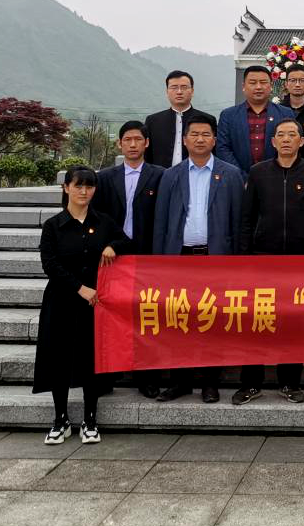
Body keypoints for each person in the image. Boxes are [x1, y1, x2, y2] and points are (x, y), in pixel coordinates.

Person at [153, 113, 245, 404]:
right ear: (185, 140)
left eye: (206, 134)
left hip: (214, 258)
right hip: (180, 257)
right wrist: (159, 262)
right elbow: (161, 223)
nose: (200, 139)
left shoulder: (231, 175)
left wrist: (237, 262)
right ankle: (179, 381)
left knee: (211, 320)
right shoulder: (171, 175)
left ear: (214, 140)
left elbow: (238, 222)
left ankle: (209, 382)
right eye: (194, 134)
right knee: (179, 318)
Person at [235, 118, 304, 406]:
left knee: (292, 323)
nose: (286, 139)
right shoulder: (258, 172)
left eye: (292, 135)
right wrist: (245, 259)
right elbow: (247, 219)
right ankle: (251, 383)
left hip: (300, 262)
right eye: (281, 135)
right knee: (256, 321)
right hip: (262, 260)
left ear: (301, 141)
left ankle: (290, 382)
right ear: (273, 142)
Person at [34, 167, 128, 444]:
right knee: (59, 359)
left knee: (90, 359)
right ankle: (60, 419)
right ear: (66, 188)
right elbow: (50, 264)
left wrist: (113, 246)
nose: (83, 192)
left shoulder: (104, 222)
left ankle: (90, 419)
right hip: (62, 301)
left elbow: (127, 241)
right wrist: (80, 288)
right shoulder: (53, 225)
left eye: (89, 187)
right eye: (78, 186)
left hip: (94, 304)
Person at [90, 121, 165, 398]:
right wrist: (106, 245)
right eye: (127, 140)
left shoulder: (160, 175)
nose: (133, 144)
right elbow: (96, 218)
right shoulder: (104, 178)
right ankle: (108, 375)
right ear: (119, 144)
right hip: (113, 257)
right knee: (112, 316)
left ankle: (147, 377)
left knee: (147, 315)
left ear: (147, 143)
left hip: (147, 256)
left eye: (138, 139)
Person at [216, 66, 294, 178]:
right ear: (243, 86)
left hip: (276, 178)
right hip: (237, 180)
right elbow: (223, 149)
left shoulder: (285, 113)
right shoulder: (228, 115)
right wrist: (241, 178)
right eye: (252, 83)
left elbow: (291, 146)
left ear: (271, 86)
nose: (258, 87)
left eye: (263, 82)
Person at [144, 70, 214, 168]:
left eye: (184, 87)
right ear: (167, 92)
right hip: (161, 175)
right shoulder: (153, 121)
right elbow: (146, 156)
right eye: (174, 87)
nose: (179, 92)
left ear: (192, 91)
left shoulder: (207, 120)